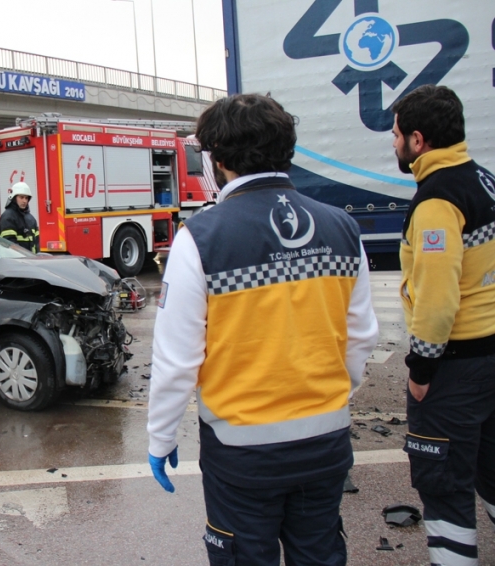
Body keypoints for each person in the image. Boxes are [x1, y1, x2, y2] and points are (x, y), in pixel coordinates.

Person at [146, 94, 379, 565]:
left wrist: (161, 437)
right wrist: (329, 398)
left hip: (242, 454)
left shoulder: (200, 238)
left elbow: (177, 358)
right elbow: (360, 337)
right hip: (326, 443)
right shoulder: (342, 228)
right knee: (319, 553)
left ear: (220, 158)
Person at [391, 84, 495, 565]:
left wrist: (421, 371)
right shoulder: (484, 181)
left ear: (418, 140)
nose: (393, 145)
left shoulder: (437, 200)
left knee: (444, 485)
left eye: (395, 135)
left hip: (458, 366)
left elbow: (436, 297)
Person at [0, 182, 39, 252]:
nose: (24, 201)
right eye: (21, 197)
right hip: (16, 261)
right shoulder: (8, 217)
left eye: (26, 198)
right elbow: (10, 245)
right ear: (14, 198)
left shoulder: (31, 219)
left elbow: (37, 244)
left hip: (31, 261)